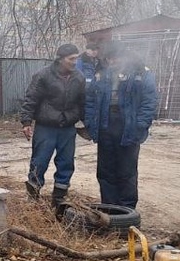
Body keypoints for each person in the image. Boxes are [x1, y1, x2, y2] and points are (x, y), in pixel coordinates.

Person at [83, 42, 158, 210]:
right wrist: (90, 122)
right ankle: (109, 207)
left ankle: (127, 209)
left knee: (127, 171)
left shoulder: (141, 73)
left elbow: (149, 102)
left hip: (129, 129)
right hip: (105, 126)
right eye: (109, 59)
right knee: (105, 171)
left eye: (115, 58)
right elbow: (90, 100)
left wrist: (140, 125)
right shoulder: (100, 75)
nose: (112, 62)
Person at [20, 43, 86, 206]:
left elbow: (83, 102)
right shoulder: (43, 75)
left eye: (76, 58)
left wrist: (87, 124)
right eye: (71, 59)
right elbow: (31, 98)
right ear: (60, 59)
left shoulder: (79, 77)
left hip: (67, 127)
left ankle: (59, 199)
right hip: (46, 127)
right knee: (39, 161)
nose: (74, 62)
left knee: (66, 163)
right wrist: (26, 122)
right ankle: (33, 197)